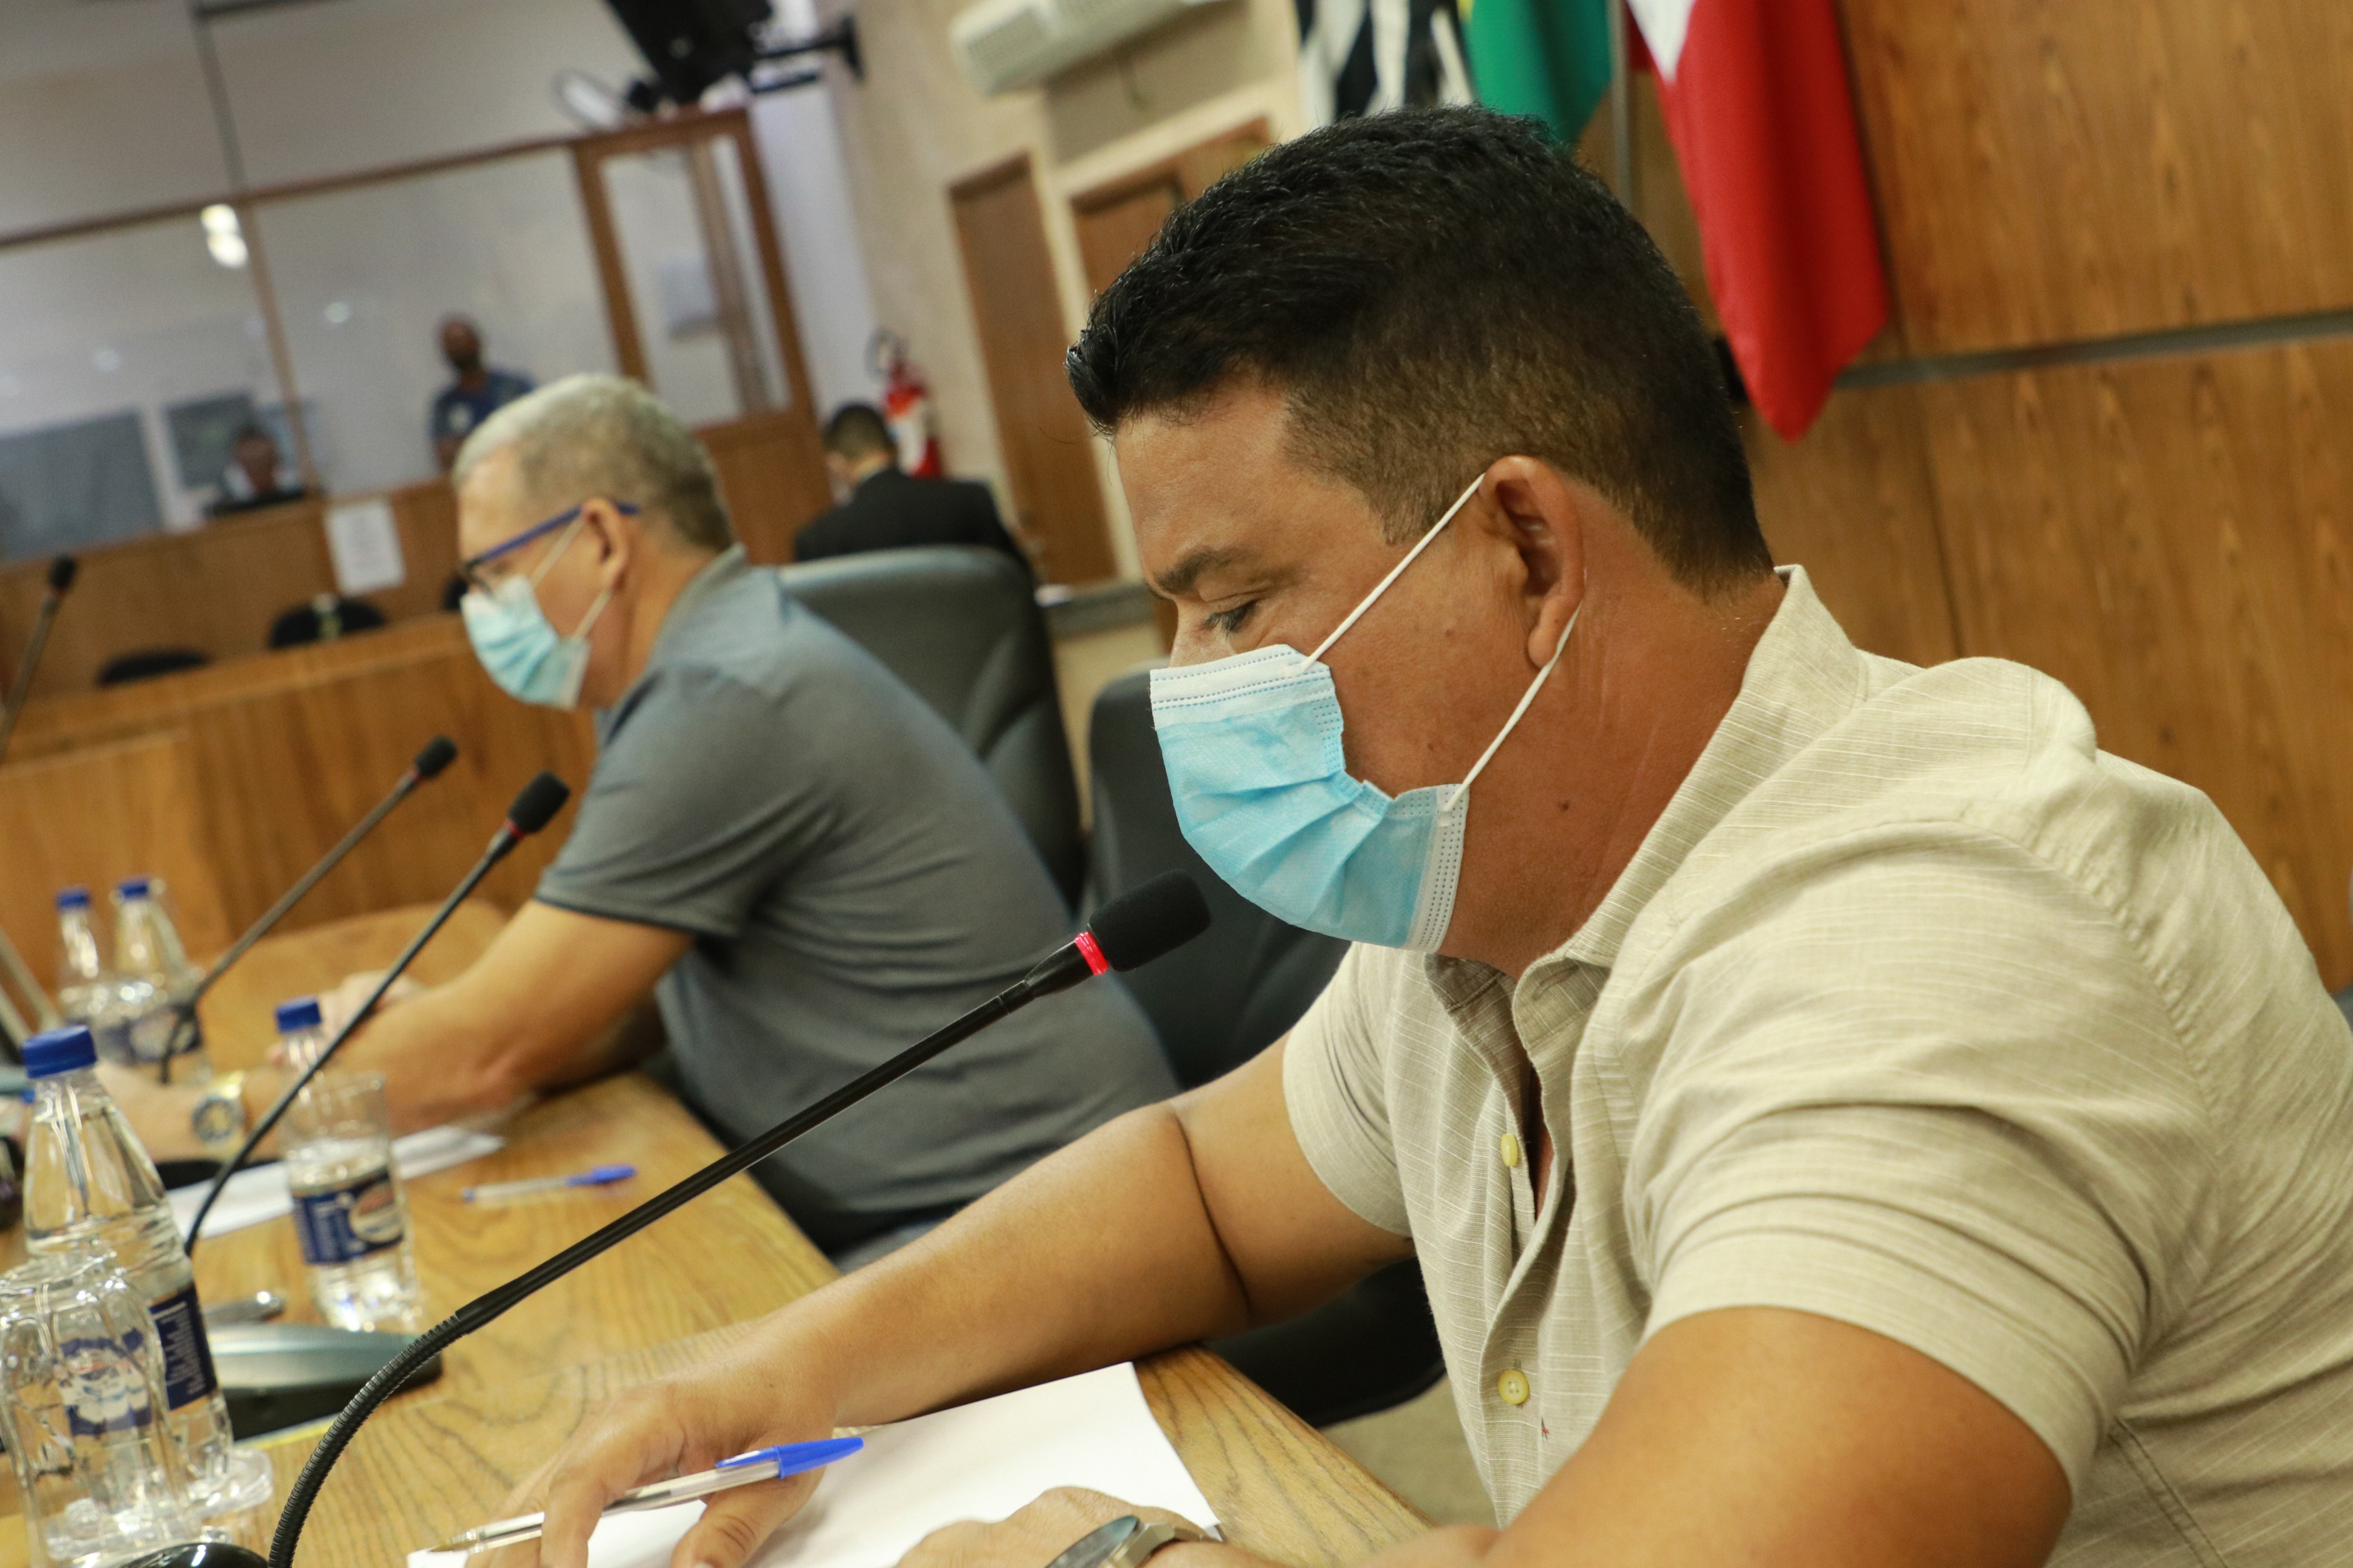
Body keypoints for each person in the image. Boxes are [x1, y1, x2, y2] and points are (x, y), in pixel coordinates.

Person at [512, 109, 2353, 1568]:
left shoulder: (1942, 931)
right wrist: (760, 1377)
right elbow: (1203, 1187)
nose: (1185, 682)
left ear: (1526, 552)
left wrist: (1106, 1558)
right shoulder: (1500, 890)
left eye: (1235, 606)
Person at [111, 373, 1173, 1264]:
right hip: (960, 1202)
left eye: (493, 573)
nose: (482, 609)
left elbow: (485, 1057)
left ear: (601, 540)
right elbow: (599, 1014)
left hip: (1032, 1217)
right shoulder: (698, 665)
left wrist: (169, 1121)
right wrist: (428, 1034)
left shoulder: (721, 696)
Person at [794, 402, 1028, 569]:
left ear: (835, 462)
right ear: (894, 446)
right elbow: (1016, 582)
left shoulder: (820, 541)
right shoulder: (969, 501)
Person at [430, 316, 534, 471]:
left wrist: (471, 444)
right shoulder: (445, 405)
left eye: (461, 341)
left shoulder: (513, 387)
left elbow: (536, 430)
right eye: (451, 344)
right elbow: (447, 455)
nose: (458, 349)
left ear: (477, 341)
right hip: (477, 478)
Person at [205, 424, 306, 516]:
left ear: (274, 457)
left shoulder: (302, 494)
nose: (257, 464)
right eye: (250, 460)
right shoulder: (227, 509)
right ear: (239, 462)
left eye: (263, 458)